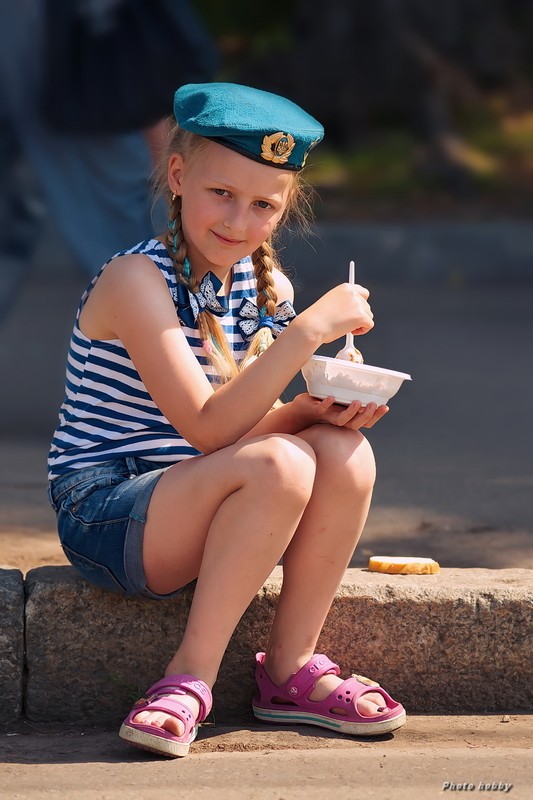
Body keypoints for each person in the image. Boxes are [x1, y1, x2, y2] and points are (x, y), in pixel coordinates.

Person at [47, 82, 406, 758]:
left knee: (340, 449)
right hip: (108, 511)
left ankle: (289, 668)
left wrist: (310, 412)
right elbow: (209, 430)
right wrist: (304, 337)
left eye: (262, 204)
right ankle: (187, 679)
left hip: (198, 490)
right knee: (283, 459)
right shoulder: (135, 281)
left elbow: (245, 429)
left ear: (283, 210)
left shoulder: (264, 288)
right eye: (222, 193)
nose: (238, 220)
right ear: (178, 177)